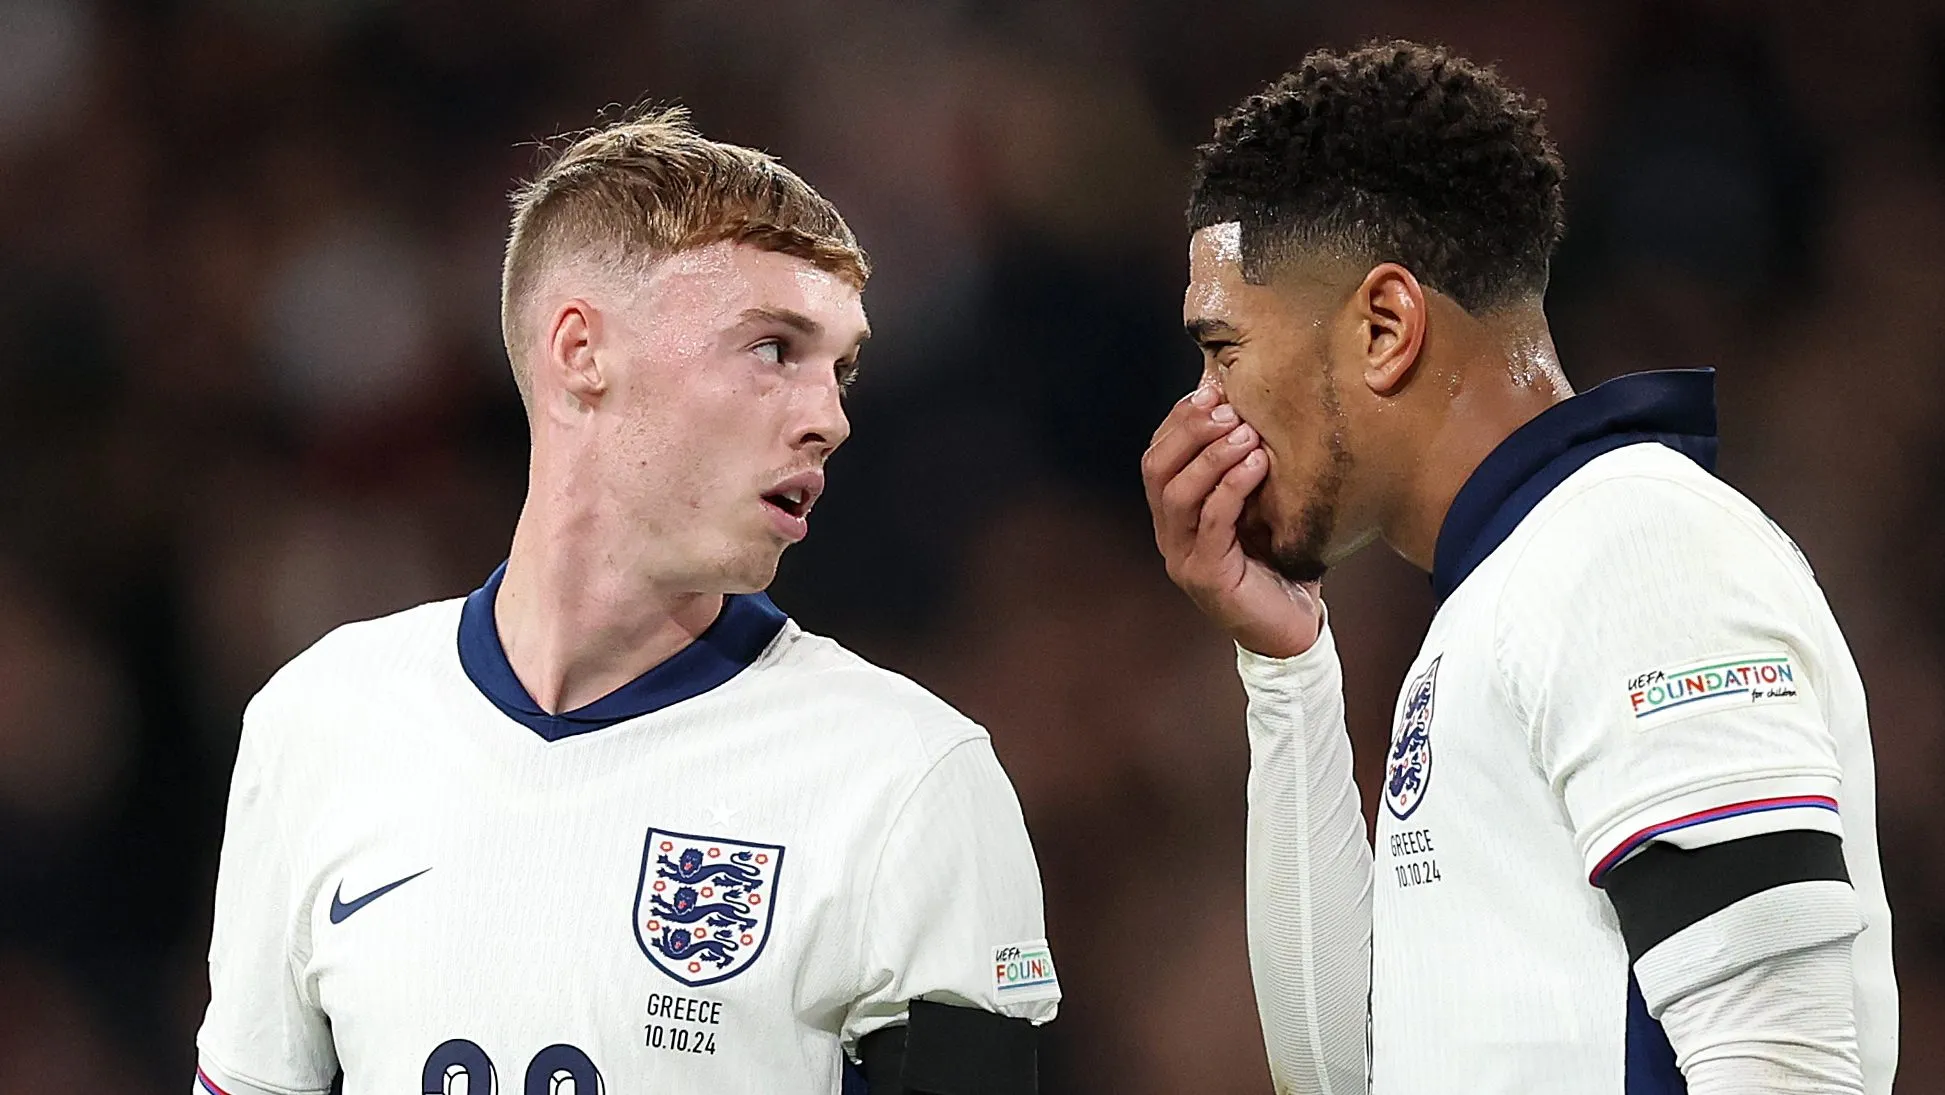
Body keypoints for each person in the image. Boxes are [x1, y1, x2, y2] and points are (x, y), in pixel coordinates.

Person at [194, 108, 1058, 1095]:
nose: (829, 417)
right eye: (774, 349)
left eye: (840, 368)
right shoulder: (320, 722)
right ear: (580, 352)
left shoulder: (909, 778)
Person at [1141, 41, 1896, 1094]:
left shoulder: (1633, 550)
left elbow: (1784, 1057)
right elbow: (1340, 1077)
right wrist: (1285, 673)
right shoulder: (1508, 590)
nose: (1202, 412)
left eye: (1222, 350)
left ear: (1384, 327)